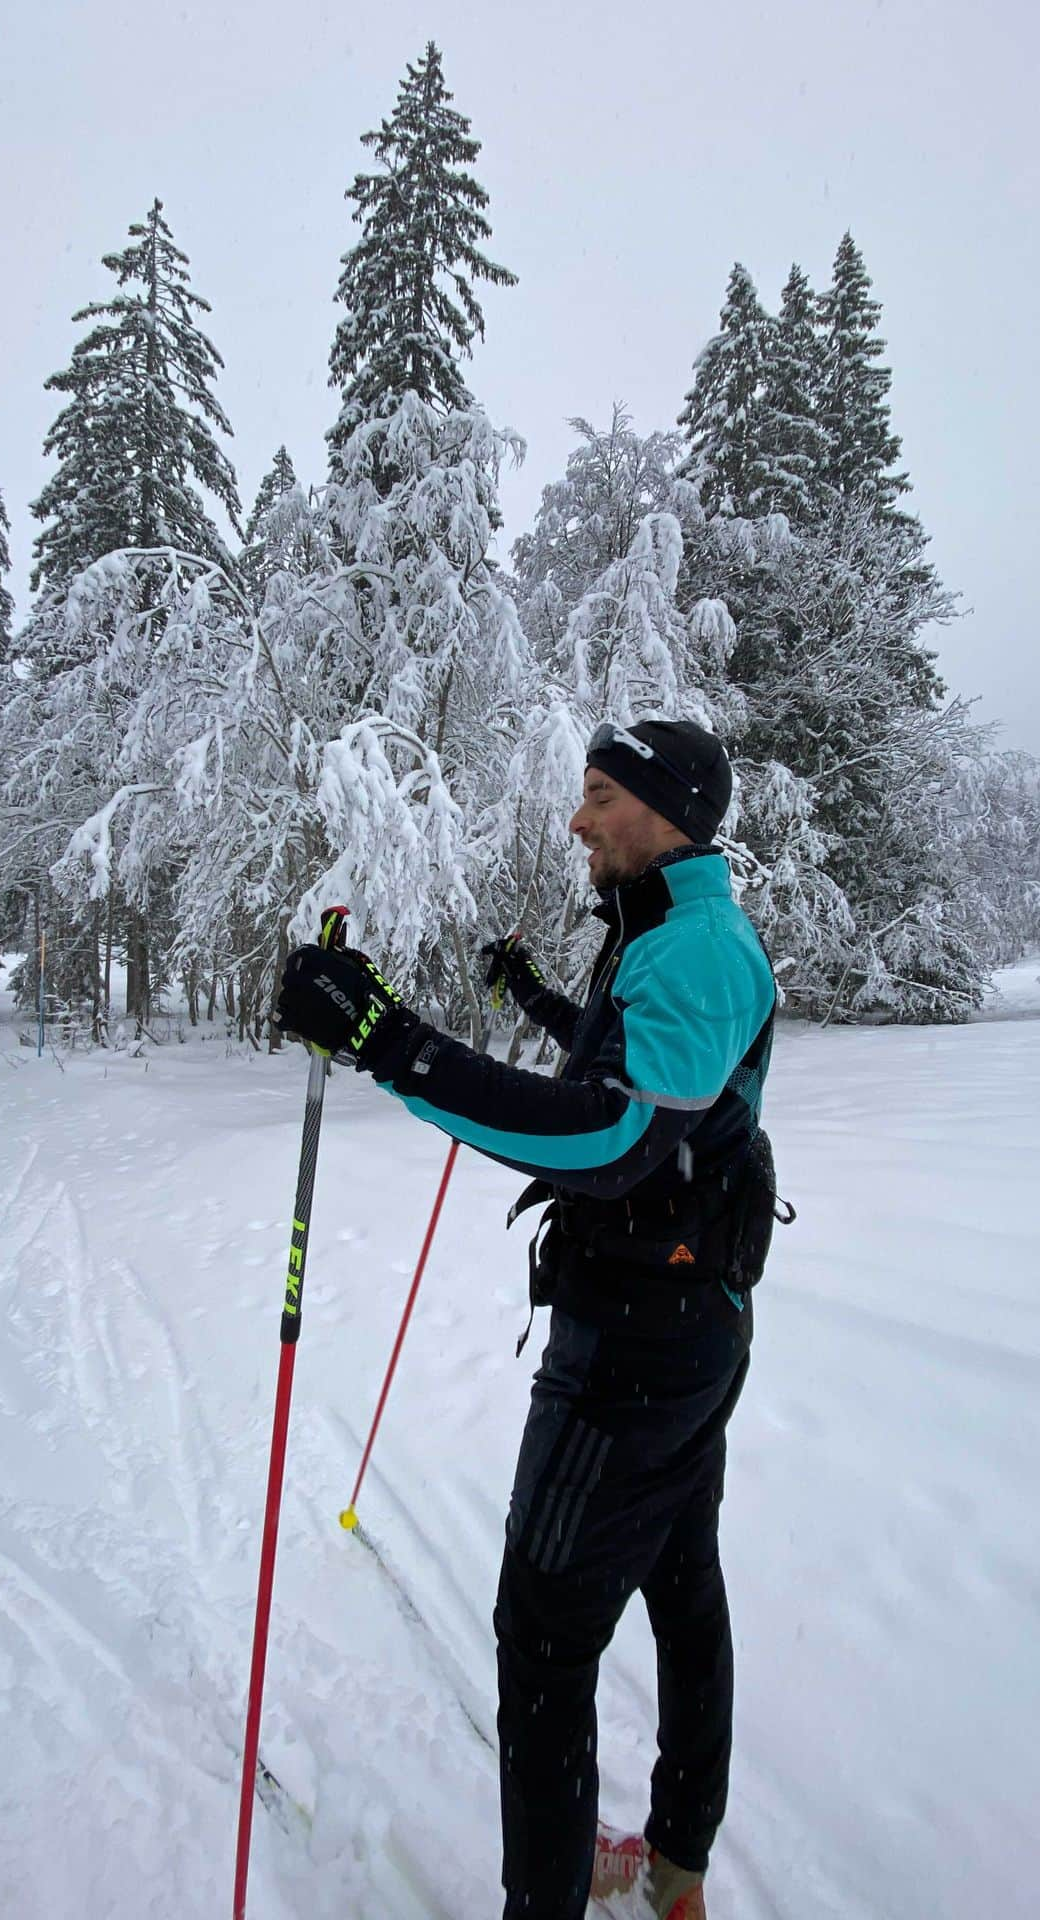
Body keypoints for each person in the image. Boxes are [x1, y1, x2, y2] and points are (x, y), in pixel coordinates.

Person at [275, 718, 781, 1920]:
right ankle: (676, 1869)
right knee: (680, 1578)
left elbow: (614, 1134)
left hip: (636, 1352)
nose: (576, 819)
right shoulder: (659, 932)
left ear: (665, 812)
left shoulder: (698, 944)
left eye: (599, 794)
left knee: (545, 1641)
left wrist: (388, 1041)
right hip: (677, 1322)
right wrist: (536, 1000)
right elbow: (628, 1070)